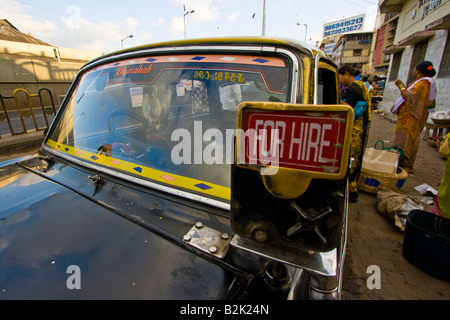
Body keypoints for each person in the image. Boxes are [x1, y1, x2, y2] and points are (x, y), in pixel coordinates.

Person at [391, 61, 437, 173]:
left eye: (414, 69)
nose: (413, 71)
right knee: (406, 138)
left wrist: (400, 85)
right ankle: (402, 162)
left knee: (408, 139)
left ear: (418, 71)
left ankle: (407, 164)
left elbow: (410, 97)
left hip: (411, 116)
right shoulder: (424, 82)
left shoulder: (423, 83)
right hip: (408, 116)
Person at [339, 65, 372, 202]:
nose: (339, 80)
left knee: (350, 158)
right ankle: (352, 190)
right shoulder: (362, 86)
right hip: (361, 128)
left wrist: (336, 101)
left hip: (354, 129)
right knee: (355, 158)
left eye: (339, 77)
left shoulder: (353, 88)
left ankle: (351, 192)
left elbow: (349, 108)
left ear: (346, 74)